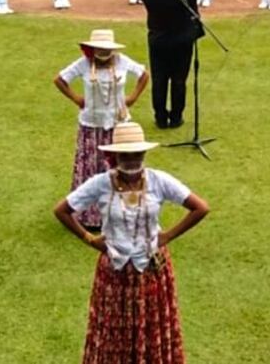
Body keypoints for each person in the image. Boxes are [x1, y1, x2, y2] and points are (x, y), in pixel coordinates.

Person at [53, 122, 209, 364]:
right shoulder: (101, 183)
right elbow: (62, 210)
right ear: (115, 155)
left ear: (144, 153)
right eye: (126, 154)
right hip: (115, 271)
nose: (132, 159)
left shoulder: (158, 180)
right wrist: (90, 239)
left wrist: (167, 236)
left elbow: (200, 207)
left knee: (151, 326)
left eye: (136, 153)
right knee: (114, 331)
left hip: (151, 269)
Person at [54, 30, 150, 230]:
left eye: (106, 49)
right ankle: (89, 216)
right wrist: (77, 99)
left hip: (118, 127)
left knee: (120, 168)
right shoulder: (84, 64)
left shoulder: (122, 61)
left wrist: (132, 98)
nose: (103, 53)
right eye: (99, 49)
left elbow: (143, 74)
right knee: (91, 168)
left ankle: (122, 212)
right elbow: (60, 79)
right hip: (92, 124)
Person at [137, 0, 211, 129]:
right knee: (179, 79)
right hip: (183, 38)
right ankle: (176, 117)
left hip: (158, 38)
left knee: (159, 79)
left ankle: (160, 117)